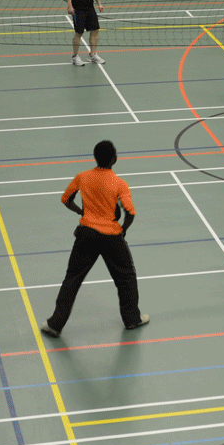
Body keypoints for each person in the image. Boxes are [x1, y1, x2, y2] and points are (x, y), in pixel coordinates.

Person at [41, 140, 150, 337]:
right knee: (126, 277)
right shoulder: (119, 183)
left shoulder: (83, 177)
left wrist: (82, 212)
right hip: (112, 237)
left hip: (86, 235)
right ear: (114, 159)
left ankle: (55, 324)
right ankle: (132, 319)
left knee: (72, 279)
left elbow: (66, 199)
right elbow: (131, 212)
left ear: (95, 157)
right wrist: (123, 229)